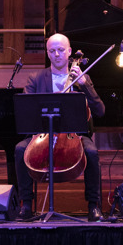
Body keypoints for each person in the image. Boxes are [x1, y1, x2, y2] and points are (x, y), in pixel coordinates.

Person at [13, 33, 106, 221]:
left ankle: (94, 205)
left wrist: (84, 85)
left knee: (92, 153)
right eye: (52, 51)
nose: (57, 54)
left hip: (75, 135)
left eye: (61, 50)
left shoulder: (82, 78)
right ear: (48, 53)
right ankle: (26, 205)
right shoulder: (35, 78)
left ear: (69, 51)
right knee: (20, 149)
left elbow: (100, 111)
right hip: (42, 134)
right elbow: (26, 112)